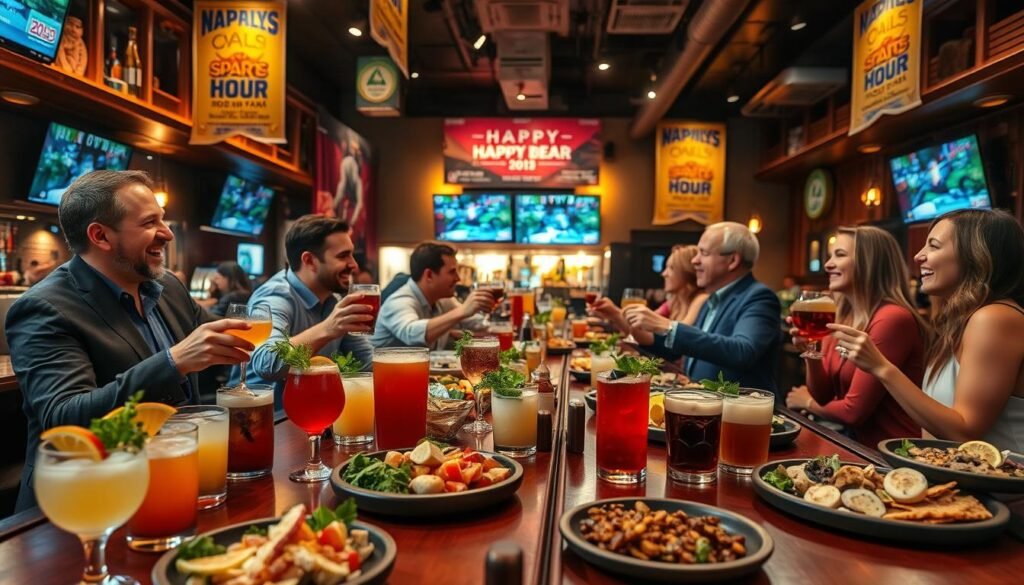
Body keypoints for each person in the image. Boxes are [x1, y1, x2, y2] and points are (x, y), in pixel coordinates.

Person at [6, 170, 253, 512]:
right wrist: (173, 362)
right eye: (150, 222)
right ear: (101, 236)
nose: (166, 234)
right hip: (86, 504)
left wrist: (320, 333)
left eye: (162, 220)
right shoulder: (43, 308)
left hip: (176, 483)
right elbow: (64, 418)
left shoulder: (169, 289)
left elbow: (233, 341)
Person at [829, 209, 1024, 451]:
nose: (918, 256)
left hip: (999, 487)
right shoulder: (959, 322)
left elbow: (964, 432)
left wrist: (881, 367)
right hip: (957, 481)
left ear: (975, 256)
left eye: (933, 246)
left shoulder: (995, 317)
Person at [784, 227, 926, 446]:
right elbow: (823, 394)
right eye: (830, 256)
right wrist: (811, 348)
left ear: (869, 263)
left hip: (891, 455)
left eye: (839, 255)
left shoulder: (892, 318)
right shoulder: (839, 314)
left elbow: (853, 412)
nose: (828, 264)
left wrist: (807, 402)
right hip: (854, 446)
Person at [622, 222, 781, 391]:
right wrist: (640, 329)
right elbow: (682, 350)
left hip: (739, 412)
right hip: (705, 407)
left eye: (703, 253)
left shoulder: (759, 297)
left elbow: (743, 351)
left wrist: (668, 327)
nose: (695, 260)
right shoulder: (713, 299)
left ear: (732, 260)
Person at [233, 215, 374, 405]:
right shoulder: (275, 297)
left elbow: (366, 363)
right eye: (343, 256)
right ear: (309, 260)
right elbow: (267, 363)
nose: (354, 265)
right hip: (266, 421)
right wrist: (327, 328)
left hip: (313, 413)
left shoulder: (334, 301)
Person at [371, 242, 493, 350]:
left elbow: (479, 325)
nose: (458, 278)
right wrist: (462, 311)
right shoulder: (399, 301)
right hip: (380, 374)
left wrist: (488, 308)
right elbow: (411, 334)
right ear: (429, 275)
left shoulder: (444, 300)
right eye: (452, 272)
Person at [592, 245, 708, 347]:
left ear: (686, 271)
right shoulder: (673, 301)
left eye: (671, 268)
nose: (664, 273)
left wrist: (616, 314)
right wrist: (613, 313)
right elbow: (642, 330)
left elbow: (681, 338)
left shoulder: (700, 299)